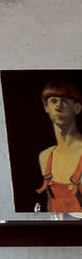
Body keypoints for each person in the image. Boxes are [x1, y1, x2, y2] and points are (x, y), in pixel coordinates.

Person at [39, 78, 82, 212]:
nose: (58, 107)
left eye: (64, 101)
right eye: (53, 101)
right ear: (46, 107)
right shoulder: (46, 156)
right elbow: (50, 208)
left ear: (77, 108)